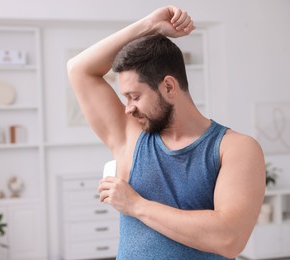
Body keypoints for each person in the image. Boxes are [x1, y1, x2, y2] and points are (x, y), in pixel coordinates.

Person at [67, 5, 265, 260]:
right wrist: (149, 25)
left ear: (169, 86)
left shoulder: (235, 148)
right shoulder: (131, 136)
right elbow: (78, 69)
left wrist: (136, 205)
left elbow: (229, 239)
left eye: (134, 96)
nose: (128, 109)